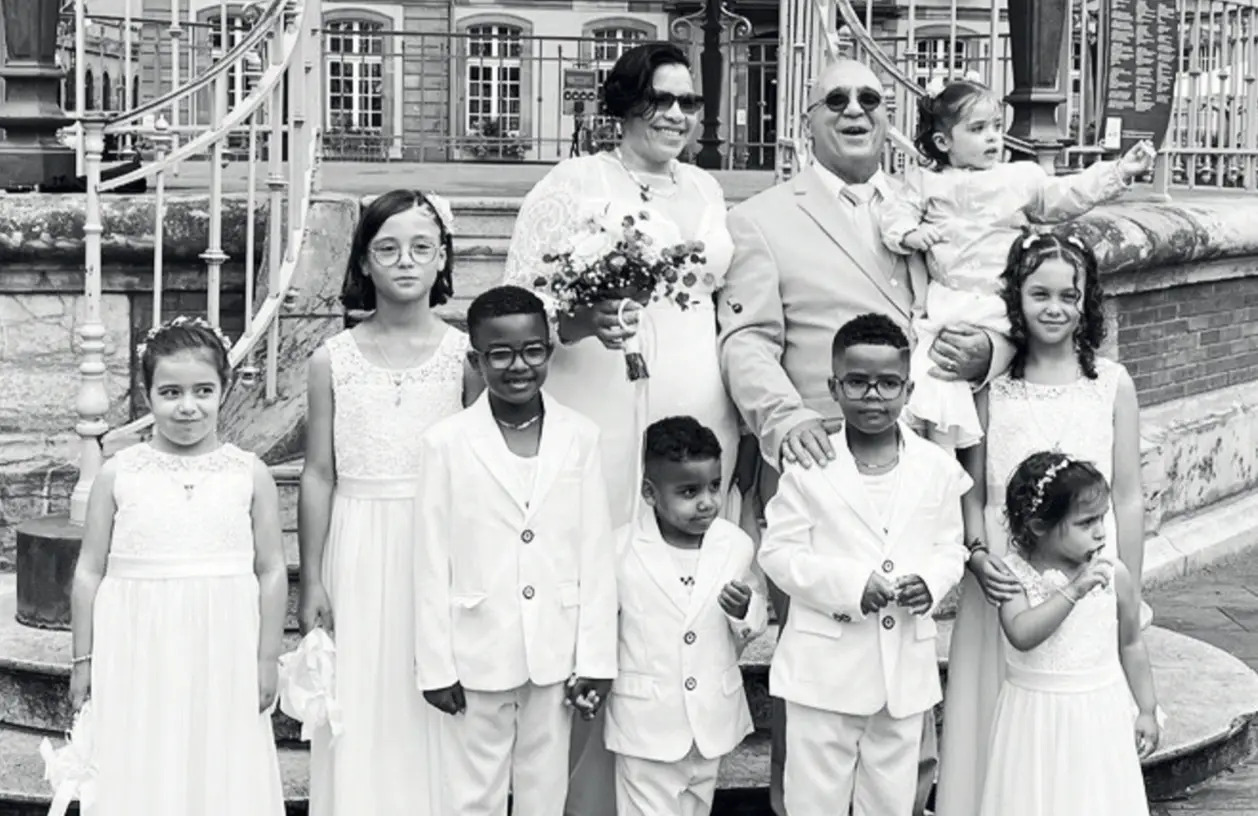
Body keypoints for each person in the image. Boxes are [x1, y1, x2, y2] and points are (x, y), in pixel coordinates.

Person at [717, 57, 1009, 816]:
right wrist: (785, 420)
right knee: (816, 672)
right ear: (805, 121)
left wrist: (989, 351)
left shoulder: (930, 203)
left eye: (870, 98)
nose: (855, 110)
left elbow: (988, 296)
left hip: (922, 462)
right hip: (824, 467)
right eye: (836, 99)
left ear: (889, 118)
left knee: (909, 673)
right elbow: (746, 340)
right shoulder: (762, 218)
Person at [504, 42, 743, 816]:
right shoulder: (575, 183)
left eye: (688, 102)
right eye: (659, 99)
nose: (676, 115)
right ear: (623, 104)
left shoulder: (706, 187)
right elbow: (522, 312)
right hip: (603, 407)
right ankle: (583, 794)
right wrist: (585, 320)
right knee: (603, 587)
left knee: (672, 596)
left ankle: (673, 761)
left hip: (696, 417)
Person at [936, 230, 1146, 816]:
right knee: (998, 710)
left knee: (1081, 712)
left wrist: (1129, 582)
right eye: (1040, 294)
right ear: (1017, 298)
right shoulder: (991, 389)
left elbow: (1128, 495)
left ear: (1086, 302)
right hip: (1005, 575)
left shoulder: (1112, 385)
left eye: (1068, 296)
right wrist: (978, 556)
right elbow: (972, 488)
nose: (1055, 309)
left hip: (1089, 568)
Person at [296, 190, 479, 816]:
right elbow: (319, 473)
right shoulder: (331, 361)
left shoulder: (464, 358)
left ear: (442, 259)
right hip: (358, 544)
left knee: (431, 690)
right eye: (388, 248)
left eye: (421, 248)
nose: (405, 261)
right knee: (362, 692)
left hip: (437, 543)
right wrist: (312, 578)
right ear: (364, 262)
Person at [412, 285, 619, 816]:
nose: (519, 366)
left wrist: (595, 657)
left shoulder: (580, 436)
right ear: (475, 360)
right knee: (470, 795)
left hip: (555, 648)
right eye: (500, 354)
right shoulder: (445, 443)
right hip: (477, 647)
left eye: (532, 351)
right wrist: (435, 666)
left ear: (549, 350)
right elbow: (430, 561)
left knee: (545, 791)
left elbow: (595, 552)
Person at [69, 316, 287, 815]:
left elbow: (272, 569)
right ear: (147, 395)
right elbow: (89, 571)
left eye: (202, 391)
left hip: (224, 647)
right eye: (170, 392)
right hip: (137, 646)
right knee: (143, 759)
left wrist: (266, 658)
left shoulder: (249, 473)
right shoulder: (118, 474)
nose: (188, 406)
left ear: (224, 389)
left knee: (220, 764)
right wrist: (84, 660)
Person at [758, 314, 970, 816]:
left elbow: (950, 547)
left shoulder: (937, 468)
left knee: (891, 804)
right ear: (834, 387)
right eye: (857, 382)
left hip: (902, 677)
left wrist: (930, 583)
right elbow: (779, 553)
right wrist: (852, 585)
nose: (873, 395)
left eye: (888, 383)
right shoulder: (807, 465)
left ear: (908, 389)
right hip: (823, 673)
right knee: (814, 802)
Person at [878, 77, 1157, 452]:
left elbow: (1065, 194)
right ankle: (939, 461)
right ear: (944, 142)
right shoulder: (926, 182)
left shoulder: (1018, 177)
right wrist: (909, 234)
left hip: (998, 302)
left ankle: (973, 458)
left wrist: (1119, 171)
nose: (993, 137)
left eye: (996, 126)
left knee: (983, 381)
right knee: (935, 375)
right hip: (950, 301)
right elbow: (895, 213)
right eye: (978, 129)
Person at [980, 451, 1159, 816]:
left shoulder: (1114, 574)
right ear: (1038, 526)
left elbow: (1131, 643)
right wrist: (1073, 590)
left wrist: (1147, 709)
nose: (1100, 531)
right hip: (1036, 719)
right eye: (1086, 522)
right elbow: (1021, 633)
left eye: (1102, 518)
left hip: (1100, 714)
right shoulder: (1012, 576)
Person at [605, 416, 769, 816]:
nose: (707, 501)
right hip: (646, 723)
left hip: (711, 720)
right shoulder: (619, 550)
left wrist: (744, 610)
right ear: (650, 492)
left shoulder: (734, 544)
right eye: (689, 492)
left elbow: (755, 612)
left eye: (714, 486)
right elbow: (600, 624)